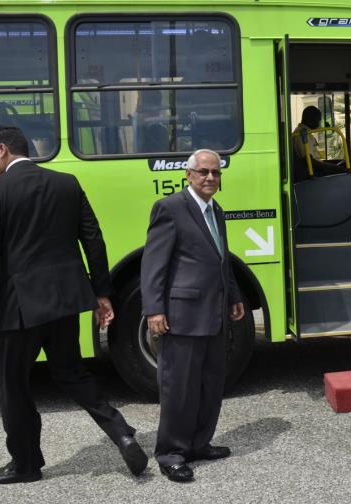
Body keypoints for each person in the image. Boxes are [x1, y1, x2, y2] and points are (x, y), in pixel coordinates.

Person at [0, 126, 148, 484]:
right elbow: (93, 239)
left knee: (13, 387)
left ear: (3, 150)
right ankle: (121, 433)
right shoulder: (66, 183)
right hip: (65, 302)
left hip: (17, 310)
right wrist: (101, 293)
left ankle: (26, 465)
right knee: (72, 374)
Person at [141, 149, 245, 482]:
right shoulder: (170, 208)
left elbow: (222, 259)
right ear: (188, 175)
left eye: (216, 172)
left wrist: (234, 295)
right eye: (203, 172)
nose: (210, 178)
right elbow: (153, 264)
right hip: (182, 316)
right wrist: (154, 309)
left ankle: (199, 443)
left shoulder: (217, 210)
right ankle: (171, 453)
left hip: (214, 314)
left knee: (210, 384)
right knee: (179, 388)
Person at [291, 106, 341, 181]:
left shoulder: (307, 132)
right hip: (313, 173)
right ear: (310, 120)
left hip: (315, 168)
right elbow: (309, 161)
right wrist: (334, 167)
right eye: (318, 120)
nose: (319, 123)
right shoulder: (301, 135)